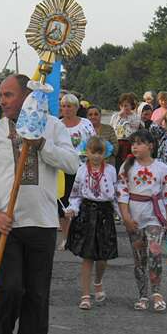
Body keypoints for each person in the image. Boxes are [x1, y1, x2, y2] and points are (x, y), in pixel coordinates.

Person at [0, 75, 79, 334]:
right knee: (10, 289)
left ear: (26, 96)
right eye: (1, 95)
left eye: (8, 95)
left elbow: (72, 163)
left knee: (37, 295)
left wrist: (42, 146)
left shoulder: (52, 126)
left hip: (44, 222)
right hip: (6, 225)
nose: (2, 101)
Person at [116, 129, 167, 312]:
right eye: (133, 143)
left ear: (150, 145)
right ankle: (142, 295)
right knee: (139, 258)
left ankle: (156, 293)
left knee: (155, 252)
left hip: (155, 217)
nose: (135, 146)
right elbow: (122, 192)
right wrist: (125, 217)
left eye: (140, 143)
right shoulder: (127, 166)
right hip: (134, 218)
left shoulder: (161, 167)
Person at [64, 136, 119, 310]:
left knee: (102, 257)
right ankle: (85, 295)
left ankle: (98, 281)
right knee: (87, 256)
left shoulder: (110, 170)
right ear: (86, 152)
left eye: (99, 152)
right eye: (92, 152)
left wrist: (123, 214)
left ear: (105, 153)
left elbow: (116, 195)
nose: (95, 156)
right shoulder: (81, 170)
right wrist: (72, 208)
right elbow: (76, 194)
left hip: (105, 214)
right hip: (87, 213)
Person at [58, 93, 96, 250]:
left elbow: (94, 144)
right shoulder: (57, 125)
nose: (66, 109)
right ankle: (65, 238)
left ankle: (82, 237)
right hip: (62, 170)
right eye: (64, 106)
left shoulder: (86, 124)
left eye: (70, 106)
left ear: (76, 107)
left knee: (83, 202)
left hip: (83, 169)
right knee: (63, 204)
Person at [110, 93, 142, 162]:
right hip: (117, 143)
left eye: (126, 105)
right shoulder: (115, 116)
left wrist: (124, 118)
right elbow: (112, 128)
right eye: (122, 105)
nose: (124, 108)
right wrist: (119, 118)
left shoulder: (136, 117)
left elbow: (130, 132)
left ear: (131, 106)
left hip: (130, 143)